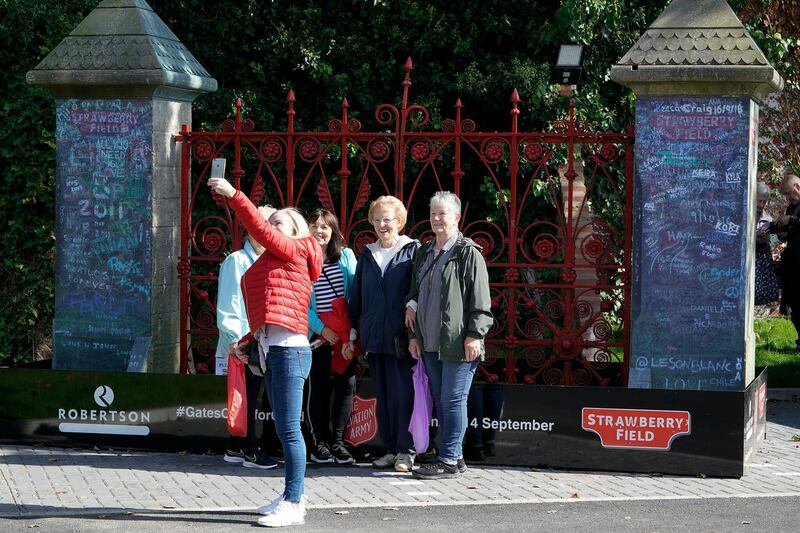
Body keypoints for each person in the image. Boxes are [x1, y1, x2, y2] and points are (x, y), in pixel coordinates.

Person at [207, 175, 322, 528]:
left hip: (291, 352)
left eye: (277, 223)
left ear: (295, 230)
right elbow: (268, 310)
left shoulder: (299, 249)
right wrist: (245, 342)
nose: (270, 228)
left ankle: (294, 502)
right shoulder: (269, 262)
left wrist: (235, 196)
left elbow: (264, 232)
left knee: (289, 430)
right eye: (269, 222)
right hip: (274, 351)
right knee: (287, 428)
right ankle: (292, 494)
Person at [405, 191, 493, 479]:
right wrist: (414, 332)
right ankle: (455, 457)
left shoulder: (468, 252)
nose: (437, 218)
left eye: (443, 213)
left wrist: (475, 335)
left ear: (456, 217)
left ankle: (449, 460)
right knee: (443, 401)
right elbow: (416, 292)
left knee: (454, 401)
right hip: (430, 342)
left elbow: (481, 301)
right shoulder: (425, 252)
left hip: (458, 343)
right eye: (433, 213)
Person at [347, 196, 420, 472]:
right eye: (376, 219)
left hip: (402, 337)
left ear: (399, 221)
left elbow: (418, 291)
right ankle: (389, 449)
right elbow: (358, 294)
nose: (381, 224)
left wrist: (415, 333)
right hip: (374, 337)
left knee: (404, 395)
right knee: (385, 395)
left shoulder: (412, 250)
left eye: (387, 219)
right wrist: (355, 326)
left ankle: (406, 450)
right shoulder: (367, 254)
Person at [216, 205, 279, 470]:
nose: (265, 230)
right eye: (260, 224)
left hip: (265, 338)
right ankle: (250, 450)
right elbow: (228, 304)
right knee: (247, 397)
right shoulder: (237, 260)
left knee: (255, 395)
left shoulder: (273, 259)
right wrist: (235, 340)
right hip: (244, 341)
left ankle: (236, 447)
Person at [304, 208, 358, 465]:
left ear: (334, 231)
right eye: (314, 225)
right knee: (318, 389)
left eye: (325, 226)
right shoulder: (300, 257)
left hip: (345, 335)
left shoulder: (346, 256)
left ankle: (338, 442)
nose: (319, 230)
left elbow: (355, 295)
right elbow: (299, 302)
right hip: (317, 336)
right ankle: (319, 443)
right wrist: (321, 329)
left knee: (346, 386)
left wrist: (349, 333)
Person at [770, 173, 800, 351]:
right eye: (786, 195)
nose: (789, 198)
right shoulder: (791, 207)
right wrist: (784, 234)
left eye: (790, 193)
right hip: (793, 262)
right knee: (794, 305)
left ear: (798, 187)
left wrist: (792, 220)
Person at [754, 182, 780, 307]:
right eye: (759, 201)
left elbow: (774, 241)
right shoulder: (744, 215)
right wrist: (754, 236)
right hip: (749, 255)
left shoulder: (767, 218)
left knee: (761, 291)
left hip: (762, 256)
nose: (761, 205)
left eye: (764, 202)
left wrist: (767, 238)